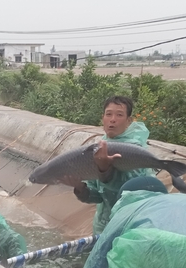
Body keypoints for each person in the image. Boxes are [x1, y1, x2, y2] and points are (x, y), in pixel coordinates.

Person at [62, 95, 153, 234]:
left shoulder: (135, 150)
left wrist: (105, 172)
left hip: (129, 227)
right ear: (102, 118)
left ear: (128, 121)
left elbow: (127, 193)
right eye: (108, 114)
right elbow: (98, 196)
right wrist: (80, 188)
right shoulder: (98, 148)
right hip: (103, 226)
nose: (113, 119)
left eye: (119, 115)